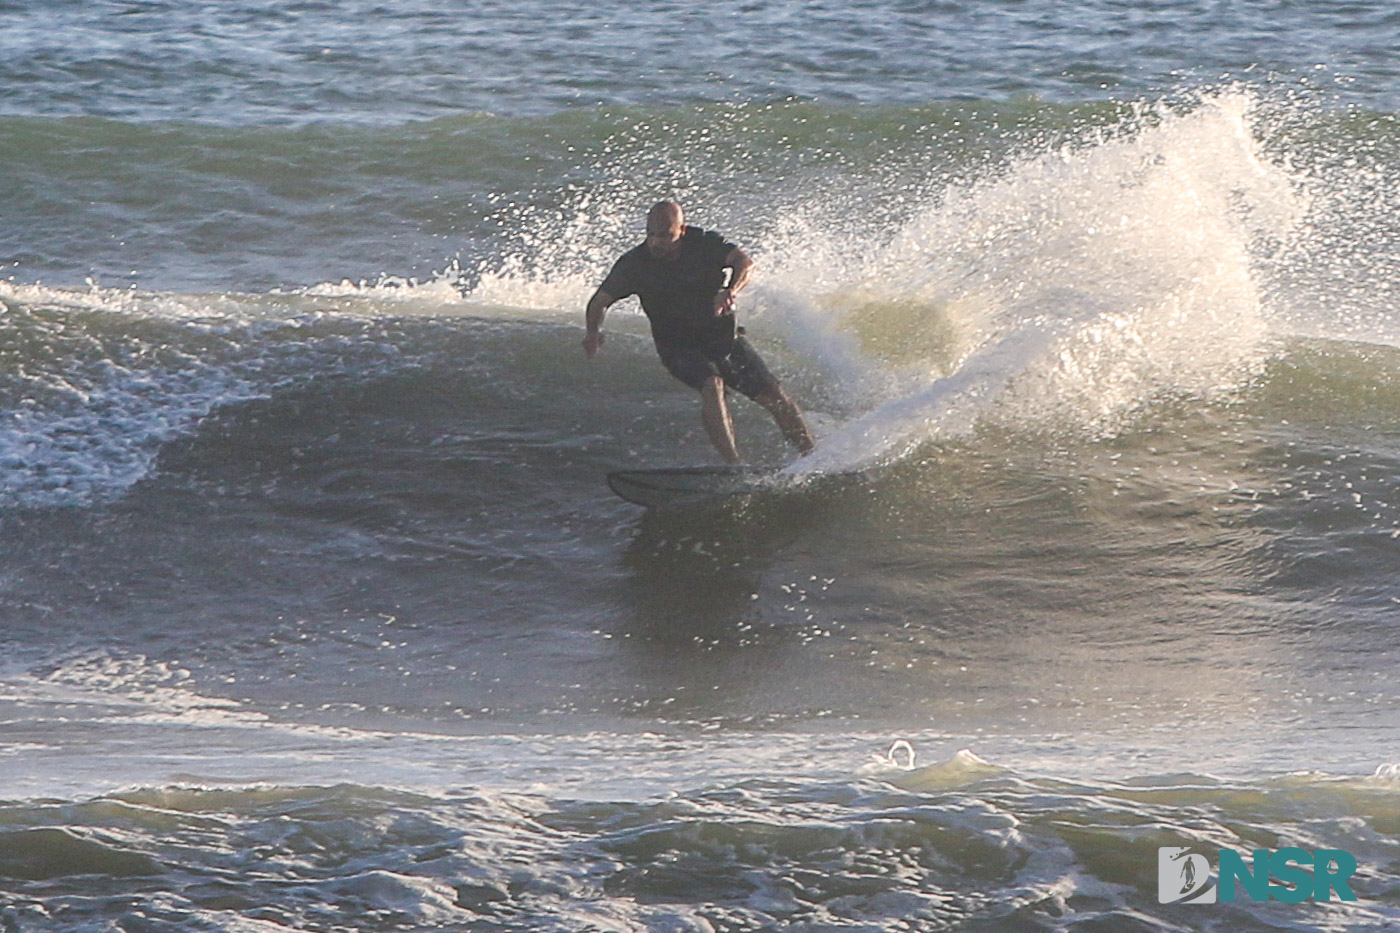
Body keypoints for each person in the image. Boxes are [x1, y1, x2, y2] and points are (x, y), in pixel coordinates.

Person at [582, 200, 815, 464]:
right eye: (650, 234)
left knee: (775, 396)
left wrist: (730, 290)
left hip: (722, 338)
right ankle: (734, 466)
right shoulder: (635, 264)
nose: (656, 242)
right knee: (712, 384)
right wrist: (593, 331)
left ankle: (813, 456)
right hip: (677, 346)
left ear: (681, 230)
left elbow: (744, 263)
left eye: (664, 235)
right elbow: (599, 301)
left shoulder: (703, 244)